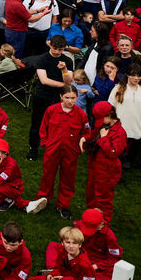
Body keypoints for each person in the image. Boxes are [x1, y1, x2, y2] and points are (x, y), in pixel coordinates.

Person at [26, 85, 88, 219]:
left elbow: (87, 132)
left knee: (67, 179)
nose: (70, 101)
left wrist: (83, 139)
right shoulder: (51, 110)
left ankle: (63, 205)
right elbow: (43, 128)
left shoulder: (81, 114)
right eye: (67, 97)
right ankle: (43, 199)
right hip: (52, 150)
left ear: (77, 97)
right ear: (61, 96)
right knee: (48, 175)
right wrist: (45, 143)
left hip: (70, 152)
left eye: (73, 98)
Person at [28, 35, 74, 160]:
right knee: (37, 123)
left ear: (64, 48)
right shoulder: (42, 59)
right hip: (42, 95)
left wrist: (64, 69)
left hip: (58, 98)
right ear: (50, 45)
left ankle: (52, 147)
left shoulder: (67, 61)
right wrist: (63, 85)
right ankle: (33, 148)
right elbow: (44, 80)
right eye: (55, 48)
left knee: (57, 125)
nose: (57, 52)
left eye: (60, 49)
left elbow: (69, 79)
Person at [80, 102, 126, 222]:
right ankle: (89, 221)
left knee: (103, 201)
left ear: (110, 116)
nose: (99, 123)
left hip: (107, 173)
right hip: (95, 168)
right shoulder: (103, 126)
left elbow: (113, 152)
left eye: (101, 119)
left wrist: (104, 139)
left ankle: (102, 226)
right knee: (91, 197)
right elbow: (93, 134)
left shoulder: (120, 133)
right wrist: (84, 138)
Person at [26, 226, 95, 280]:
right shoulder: (63, 251)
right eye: (68, 242)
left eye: (75, 243)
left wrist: (64, 279)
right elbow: (58, 268)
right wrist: (51, 275)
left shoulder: (85, 265)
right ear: (62, 243)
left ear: (80, 245)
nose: (71, 246)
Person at [75, 208, 121, 280]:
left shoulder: (110, 236)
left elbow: (114, 259)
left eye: (92, 228)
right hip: (79, 254)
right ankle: (54, 269)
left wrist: (96, 266)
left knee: (118, 274)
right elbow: (72, 239)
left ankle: (82, 278)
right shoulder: (79, 225)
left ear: (101, 224)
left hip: (96, 261)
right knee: (53, 246)